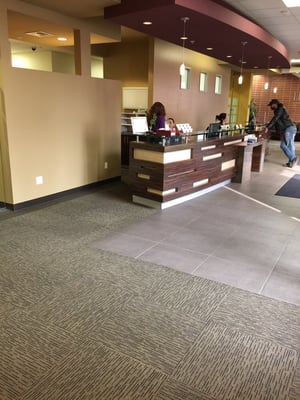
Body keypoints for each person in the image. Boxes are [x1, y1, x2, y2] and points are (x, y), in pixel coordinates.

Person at [265, 99, 297, 168]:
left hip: (289, 128)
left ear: (275, 104)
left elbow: (275, 119)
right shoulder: (278, 110)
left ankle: (292, 159)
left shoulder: (280, 109)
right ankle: (292, 160)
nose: (271, 107)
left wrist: (268, 127)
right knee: (283, 145)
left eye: (271, 105)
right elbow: (277, 122)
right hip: (288, 129)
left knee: (289, 146)